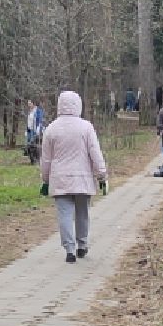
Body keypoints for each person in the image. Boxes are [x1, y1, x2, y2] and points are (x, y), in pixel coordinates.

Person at [38, 90, 108, 263]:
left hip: (59, 178)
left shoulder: (51, 129)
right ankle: (82, 245)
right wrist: (102, 175)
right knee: (82, 213)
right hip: (82, 178)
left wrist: (45, 179)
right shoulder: (86, 127)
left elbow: (46, 158)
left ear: (60, 105)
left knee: (65, 214)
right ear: (78, 105)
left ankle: (69, 249)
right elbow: (95, 153)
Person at [24, 98, 47, 164]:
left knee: (34, 144)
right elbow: (29, 121)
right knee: (29, 144)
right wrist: (27, 130)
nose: (28, 105)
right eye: (28, 103)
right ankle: (31, 158)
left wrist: (38, 128)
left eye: (30, 103)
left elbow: (40, 120)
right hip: (30, 130)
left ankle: (36, 159)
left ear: (33, 103)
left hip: (35, 130)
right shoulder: (29, 112)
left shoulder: (38, 111)